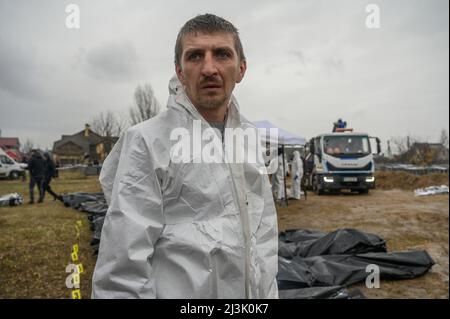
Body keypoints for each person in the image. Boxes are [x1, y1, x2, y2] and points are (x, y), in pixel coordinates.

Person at [92, 14, 279, 299]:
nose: (209, 68)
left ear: (241, 69)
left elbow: (263, 235)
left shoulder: (249, 139)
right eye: (194, 56)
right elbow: (122, 269)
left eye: (222, 54)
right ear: (179, 72)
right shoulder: (147, 142)